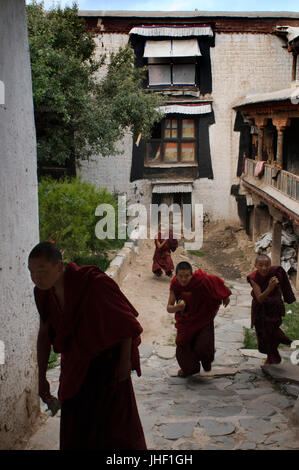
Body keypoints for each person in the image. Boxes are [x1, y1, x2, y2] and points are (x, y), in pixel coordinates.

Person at [28, 241, 147, 450]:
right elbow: (44, 333)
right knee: (75, 428)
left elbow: (125, 322)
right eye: (31, 272)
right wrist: (41, 377)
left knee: (114, 430)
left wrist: (124, 361)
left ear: (58, 266)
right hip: (75, 366)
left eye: (41, 271)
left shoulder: (91, 282)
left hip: (107, 365)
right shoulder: (43, 292)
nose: (36, 278)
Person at [167, 261, 231, 377]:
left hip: (203, 317)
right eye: (180, 276)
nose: (184, 279)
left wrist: (225, 295)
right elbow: (169, 307)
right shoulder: (175, 285)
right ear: (176, 276)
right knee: (182, 344)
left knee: (203, 346)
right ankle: (190, 368)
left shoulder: (200, 281)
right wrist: (177, 307)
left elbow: (215, 281)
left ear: (192, 275)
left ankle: (206, 360)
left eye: (187, 276)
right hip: (186, 321)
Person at [247, 254, 296, 365]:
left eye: (267, 265)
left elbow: (282, 288)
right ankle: (282, 344)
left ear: (270, 265)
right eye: (261, 265)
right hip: (261, 310)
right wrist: (270, 288)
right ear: (255, 265)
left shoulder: (275, 273)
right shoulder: (253, 277)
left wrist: (279, 299)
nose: (264, 268)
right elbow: (259, 298)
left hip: (274, 308)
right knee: (263, 335)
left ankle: (273, 356)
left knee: (272, 331)